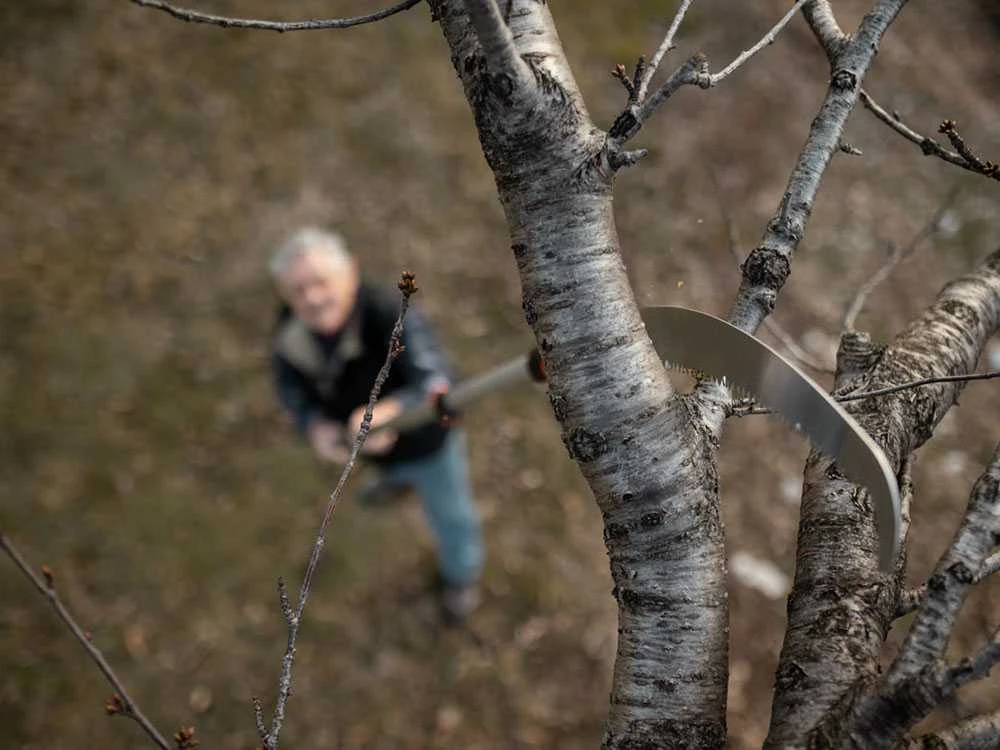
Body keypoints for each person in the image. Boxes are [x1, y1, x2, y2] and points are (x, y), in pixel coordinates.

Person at [269, 227, 483, 625]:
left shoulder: (391, 313)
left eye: (321, 282)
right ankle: (396, 481)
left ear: (351, 273)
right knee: (388, 468)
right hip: (365, 448)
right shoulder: (290, 334)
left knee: (451, 513)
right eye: (298, 290)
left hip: (427, 446)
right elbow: (290, 390)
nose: (312, 298)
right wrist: (314, 426)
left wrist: (389, 412)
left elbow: (440, 382)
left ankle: (461, 575)